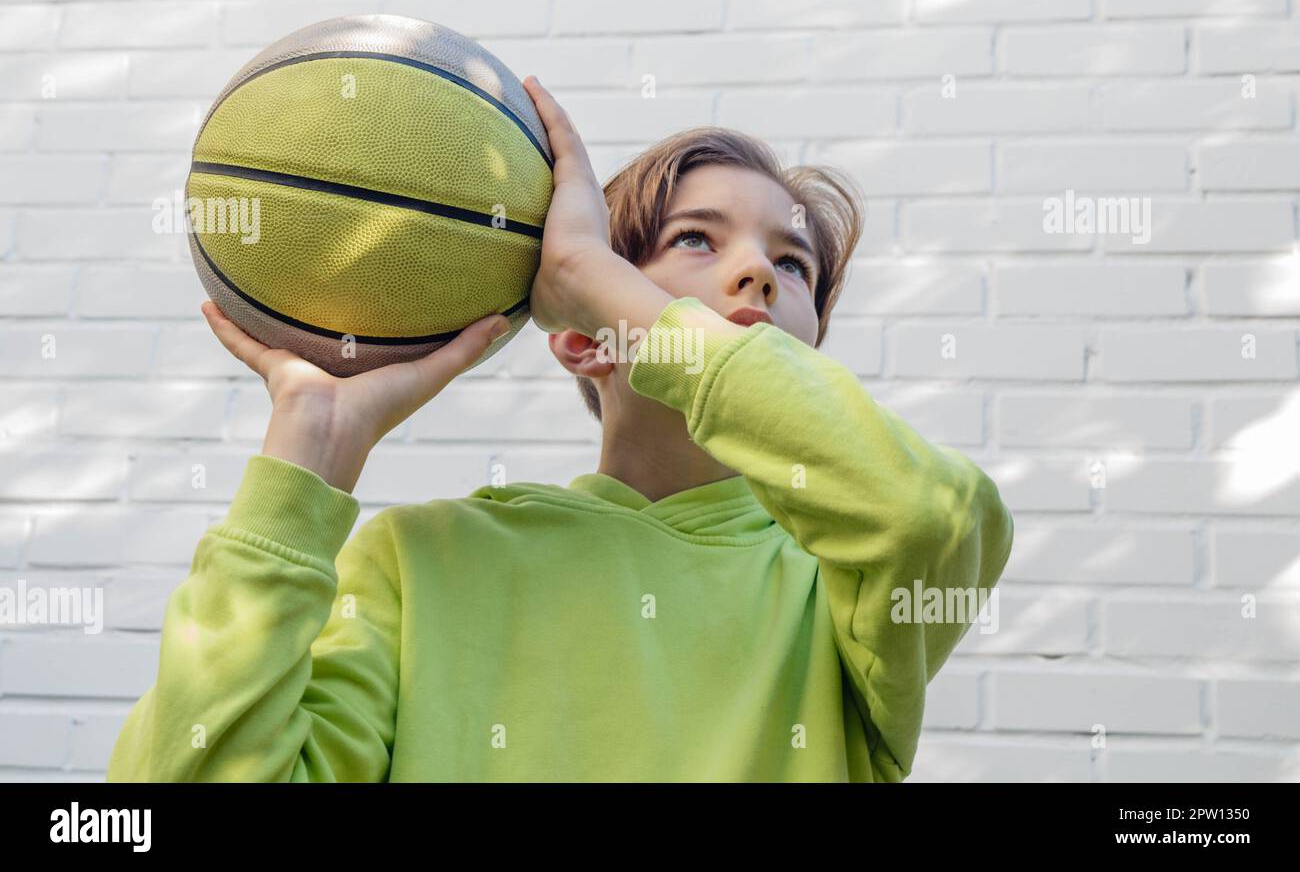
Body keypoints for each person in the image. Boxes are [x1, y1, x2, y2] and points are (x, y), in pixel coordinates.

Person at [106, 76, 1014, 782]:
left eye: (793, 262)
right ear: (582, 338)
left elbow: (934, 515)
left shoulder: (843, 590)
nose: (759, 276)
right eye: (697, 239)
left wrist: (595, 272)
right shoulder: (421, 564)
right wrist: (308, 450)